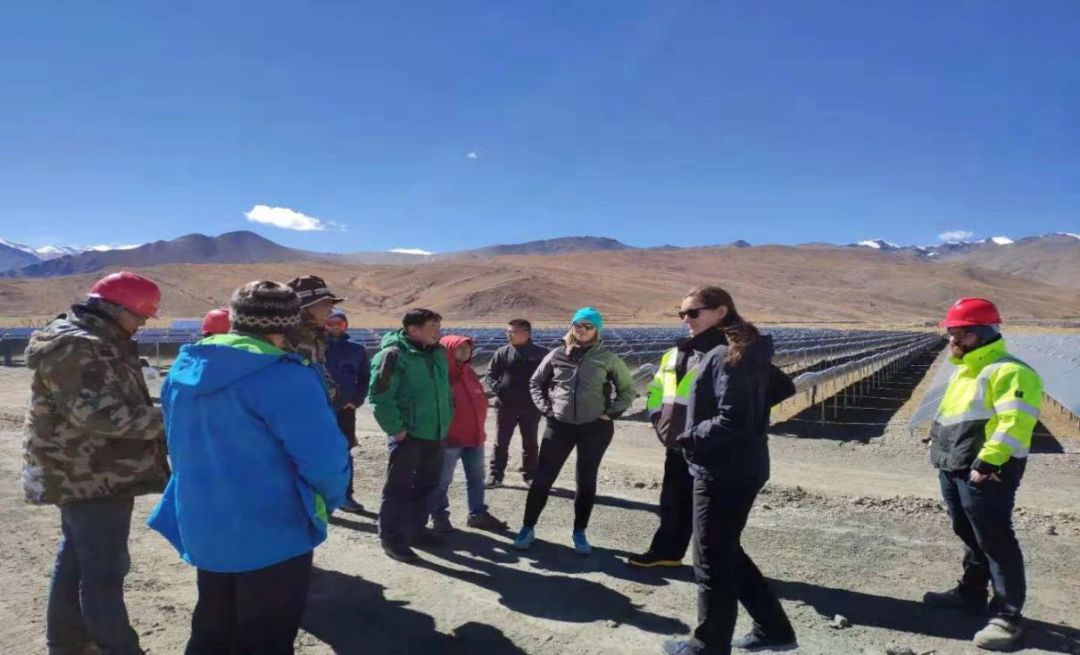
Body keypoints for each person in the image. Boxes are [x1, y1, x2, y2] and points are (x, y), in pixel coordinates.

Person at [147, 280, 350, 654]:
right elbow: (324, 460)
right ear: (289, 324)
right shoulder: (286, 376)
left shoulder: (184, 369)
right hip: (272, 531)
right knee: (265, 636)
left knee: (212, 625)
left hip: (204, 524)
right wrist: (329, 500)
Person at [23, 271, 169, 655]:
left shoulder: (99, 340)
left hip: (92, 470)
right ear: (116, 309)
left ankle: (68, 642)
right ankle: (118, 646)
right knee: (104, 570)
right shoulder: (78, 346)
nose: (140, 326)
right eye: (139, 317)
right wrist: (172, 419)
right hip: (89, 473)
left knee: (77, 558)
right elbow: (97, 415)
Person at [661, 287, 797, 655]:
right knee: (726, 550)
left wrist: (689, 436)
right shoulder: (738, 351)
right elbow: (784, 386)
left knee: (710, 558)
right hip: (740, 464)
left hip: (722, 469)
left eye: (693, 313)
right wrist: (754, 411)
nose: (685, 320)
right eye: (681, 314)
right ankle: (775, 630)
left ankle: (708, 645)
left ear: (721, 312)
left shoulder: (726, 355)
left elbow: (732, 420)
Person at [922, 298, 1043, 651]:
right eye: (950, 333)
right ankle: (972, 593)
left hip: (987, 470)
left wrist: (989, 461)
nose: (952, 341)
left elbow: (1015, 422)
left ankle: (1007, 617)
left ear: (983, 333)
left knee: (994, 537)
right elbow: (955, 415)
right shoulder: (966, 369)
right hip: (953, 463)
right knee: (967, 530)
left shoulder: (1009, 371)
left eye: (960, 333)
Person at [512, 307, 635, 555]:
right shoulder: (557, 354)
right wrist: (547, 408)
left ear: (597, 330)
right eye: (577, 325)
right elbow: (536, 382)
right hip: (560, 426)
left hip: (595, 429)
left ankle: (579, 532)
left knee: (586, 480)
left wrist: (609, 413)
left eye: (587, 326)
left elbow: (627, 390)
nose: (581, 330)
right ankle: (527, 527)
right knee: (543, 477)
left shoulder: (608, 359)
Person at [368, 308, 453, 563]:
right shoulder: (393, 355)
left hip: (434, 432)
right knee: (398, 489)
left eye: (438, 326)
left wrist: (447, 418)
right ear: (413, 330)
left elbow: (445, 391)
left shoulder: (437, 353)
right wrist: (396, 429)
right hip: (408, 435)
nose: (438, 332)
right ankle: (391, 538)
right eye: (432, 327)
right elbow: (380, 396)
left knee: (427, 485)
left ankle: (415, 530)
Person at [428, 335, 509, 533]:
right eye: (459, 348)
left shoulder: (469, 371)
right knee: (442, 480)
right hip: (451, 438)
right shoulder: (440, 374)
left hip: (474, 437)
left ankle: (477, 514)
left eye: (467, 348)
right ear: (447, 349)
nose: (465, 351)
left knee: (475, 478)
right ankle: (439, 517)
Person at [485, 318, 548, 488]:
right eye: (508, 331)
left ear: (525, 333)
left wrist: (543, 397)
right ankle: (495, 475)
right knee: (501, 441)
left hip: (531, 406)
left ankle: (530, 475)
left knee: (530, 441)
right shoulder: (502, 352)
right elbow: (490, 374)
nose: (508, 335)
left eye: (512, 332)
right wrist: (497, 388)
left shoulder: (541, 353)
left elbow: (550, 377)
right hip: (506, 405)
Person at [325, 307, 370, 513]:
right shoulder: (315, 347)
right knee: (317, 451)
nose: (335, 327)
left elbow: (364, 378)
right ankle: (322, 499)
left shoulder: (357, 350)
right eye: (331, 323)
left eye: (340, 323)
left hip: (345, 409)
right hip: (318, 409)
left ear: (346, 326)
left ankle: (345, 496)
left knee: (344, 452)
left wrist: (356, 400)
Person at [286, 275, 345, 397]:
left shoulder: (316, 336)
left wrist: (331, 389)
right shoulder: (286, 340)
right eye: (325, 303)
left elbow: (317, 369)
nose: (331, 309)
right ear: (304, 308)